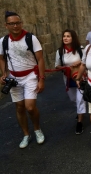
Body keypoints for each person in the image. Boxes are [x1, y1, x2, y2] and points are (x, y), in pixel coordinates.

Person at [0, 11, 45, 149]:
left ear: (21, 23)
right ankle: (26, 134)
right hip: (13, 77)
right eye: (12, 23)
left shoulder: (31, 38)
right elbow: (1, 58)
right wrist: (3, 74)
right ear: (6, 25)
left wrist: (41, 79)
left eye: (18, 23)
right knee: (19, 107)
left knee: (30, 107)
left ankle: (37, 129)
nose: (15, 26)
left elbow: (40, 59)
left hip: (30, 75)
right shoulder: (3, 41)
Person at [55, 29, 86, 134]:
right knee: (73, 99)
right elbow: (57, 65)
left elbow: (87, 60)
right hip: (68, 79)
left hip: (80, 77)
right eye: (64, 36)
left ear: (73, 38)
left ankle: (79, 123)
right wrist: (65, 67)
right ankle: (79, 110)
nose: (65, 38)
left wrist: (80, 61)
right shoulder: (60, 51)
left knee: (80, 99)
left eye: (68, 36)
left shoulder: (80, 49)